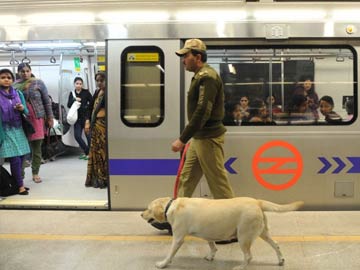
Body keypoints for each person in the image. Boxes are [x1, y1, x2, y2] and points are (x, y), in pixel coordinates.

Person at [172, 38, 235, 199]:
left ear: (198, 57)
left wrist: (182, 139)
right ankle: (175, 215)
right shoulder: (199, 76)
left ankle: (233, 221)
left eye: (186, 56)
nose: (183, 60)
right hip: (199, 137)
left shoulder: (207, 77)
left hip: (209, 138)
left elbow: (202, 111)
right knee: (186, 178)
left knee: (218, 182)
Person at [13, 63, 54, 183]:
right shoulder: (14, 85)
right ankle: (20, 174)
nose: (25, 73)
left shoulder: (38, 83)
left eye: (27, 71)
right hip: (21, 119)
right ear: (18, 72)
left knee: (36, 147)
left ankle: (35, 172)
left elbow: (46, 101)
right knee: (22, 148)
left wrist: (50, 117)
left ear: (30, 71)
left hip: (37, 118)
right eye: (22, 71)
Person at [0, 68, 31, 195]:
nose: (6, 79)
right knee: (15, 159)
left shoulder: (18, 94)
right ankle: (20, 186)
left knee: (22, 157)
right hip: (5, 130)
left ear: (12, 80)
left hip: (18, 128)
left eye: (9, 77)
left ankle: (16, 183)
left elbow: (26, 112)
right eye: (3, 77)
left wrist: (22, 108)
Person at [85, 72, 107, 188]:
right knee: (95, 151)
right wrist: (87, 121)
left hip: (103, 126)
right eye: (97, 80)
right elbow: (90, 107)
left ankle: (104, 177)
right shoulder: (97, 92)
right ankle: (97, 177)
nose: (99, 83)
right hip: (95, 125)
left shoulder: (109, 92)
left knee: (102, 152)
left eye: (101, 80)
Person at [67, 77, 93, 159]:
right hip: (76, 119)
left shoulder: (86, 92)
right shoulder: (72, 93)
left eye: (80, 84)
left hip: (86, 118)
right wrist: (74, 99)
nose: (79, 85)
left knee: (88, 136)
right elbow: (68, 104)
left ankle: (90, 154)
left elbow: (92, 102)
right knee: (77, 136)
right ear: (74, 84)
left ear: (82, 84)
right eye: (77, 83)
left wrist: (87, 108)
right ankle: (87, 151)